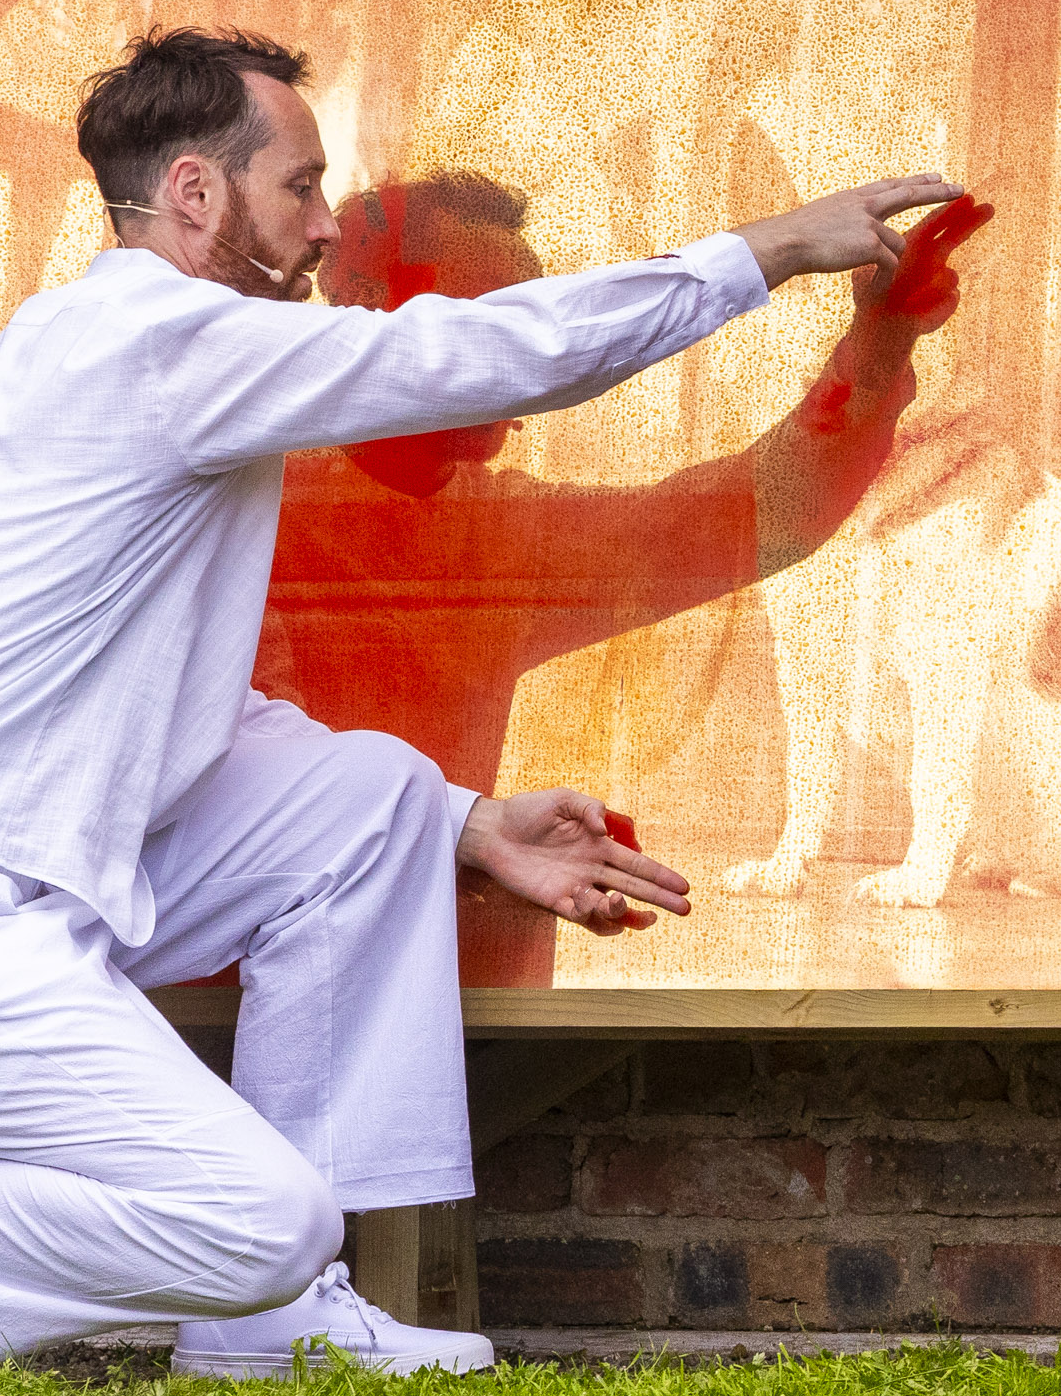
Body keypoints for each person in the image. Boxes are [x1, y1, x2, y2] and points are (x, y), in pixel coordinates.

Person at [0, 24, 957, 1376]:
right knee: (255, 1225)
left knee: (366, 811)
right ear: (195, 193)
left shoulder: (105, 367)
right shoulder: (155, 340)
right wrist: (761, 252)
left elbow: (180, 713)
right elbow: (464, 358)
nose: (319, 231)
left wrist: (463, 822)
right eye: (297, 188)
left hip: (7, 875)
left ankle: (274, 1339)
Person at [251, 169, 954, 986]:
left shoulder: (495, 532)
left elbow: (753, 517)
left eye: (535, 321)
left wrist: (881, 341)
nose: (534, 361)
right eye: (497, 321)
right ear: (376, 314)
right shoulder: (247, 504)